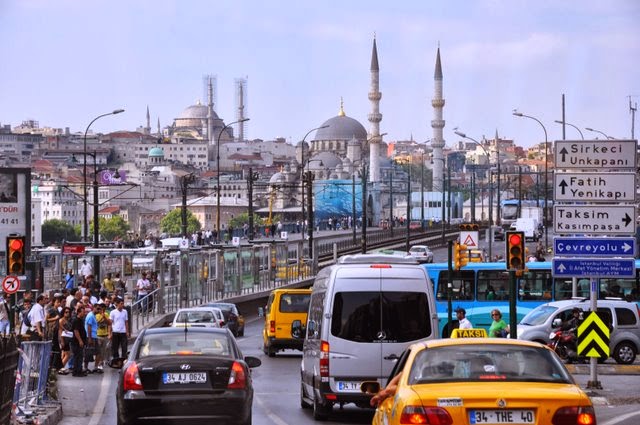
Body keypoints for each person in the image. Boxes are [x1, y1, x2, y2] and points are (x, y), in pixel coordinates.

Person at [70, 306, 88, 377]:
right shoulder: (76, 320)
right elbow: (76, 331)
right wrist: (80, 340)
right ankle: (76, 371)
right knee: (77, 356)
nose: (84, 313)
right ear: (78, 312)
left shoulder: (80, 320)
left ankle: (79, 370)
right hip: (76, 342)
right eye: (83, 312)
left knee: (80, 356)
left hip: (80, 341)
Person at [58, 307, 73, 375]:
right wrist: (62, 341)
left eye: (69, 312)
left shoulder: (68, 320)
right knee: (68, 354)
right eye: (66, 312)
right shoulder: (61, 320)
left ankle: (61, 367)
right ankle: (61, 367)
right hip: (63, 339)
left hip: (67, 339)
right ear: (63, 313)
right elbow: (60, 331)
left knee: (64, 354)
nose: (67, 313)